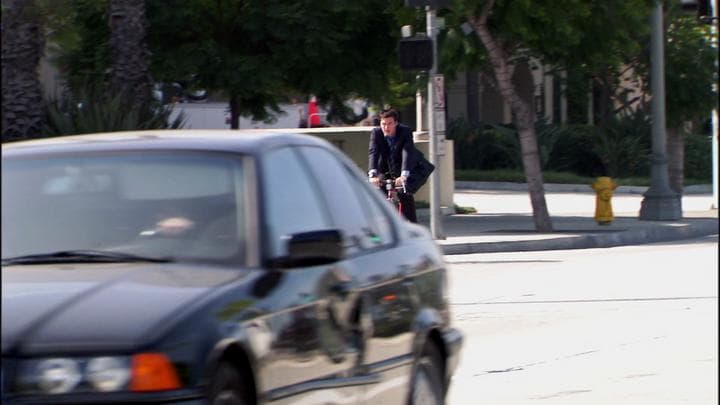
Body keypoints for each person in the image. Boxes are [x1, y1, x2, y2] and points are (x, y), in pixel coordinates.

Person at [367, 108, 420, 223]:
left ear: (396, 123)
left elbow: (407, 152)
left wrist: (404, 174)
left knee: (404, 194)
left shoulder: (405, 131)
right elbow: (373, 152)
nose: (386, 127)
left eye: (390, 123)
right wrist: (372, 174)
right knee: (378, 194)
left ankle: (413, 226)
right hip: (384, 169)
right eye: (383, 124)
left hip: (401, 169)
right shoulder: (376, 133)